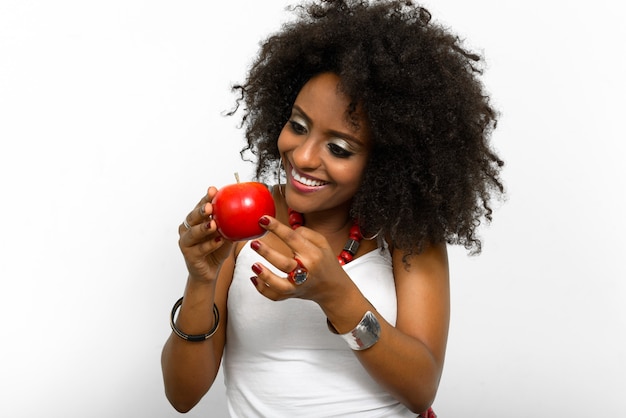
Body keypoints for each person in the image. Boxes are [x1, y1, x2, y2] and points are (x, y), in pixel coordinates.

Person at [161, 0, 504, 416]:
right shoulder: (246, 223)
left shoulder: (403, 235)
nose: (303, 157)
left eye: (339, 148)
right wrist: (200, 280)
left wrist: (334, 293)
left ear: (385, 161)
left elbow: (421, 389)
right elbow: (183, 396)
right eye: (298, 125)